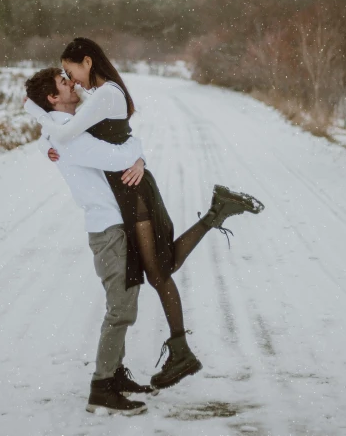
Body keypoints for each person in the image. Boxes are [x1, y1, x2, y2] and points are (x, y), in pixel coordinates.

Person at [25, 39, 265, 390]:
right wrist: (47, 139)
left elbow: (81, 136)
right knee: (159, 269)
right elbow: (97, 137)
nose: (71, 79)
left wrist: (135, 158)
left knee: (158, 270)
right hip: (127, 189)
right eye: (65, 78)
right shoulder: (96, 97)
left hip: (132, 189)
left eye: (70, 70)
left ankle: (181, 351)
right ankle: (216, 215)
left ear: (87, 62)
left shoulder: (104, 95)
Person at [24, 67, 154, 416]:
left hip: (113, 223)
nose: (74, 85)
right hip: (107, 228)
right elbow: (119, 156)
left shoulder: (66, 128)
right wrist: (138, 154)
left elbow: (110, 139)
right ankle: (102, 387)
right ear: (53, 98)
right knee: (121, 308)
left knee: (125, 300)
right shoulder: (68, 136)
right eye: (65, 84)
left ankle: (115, 375)